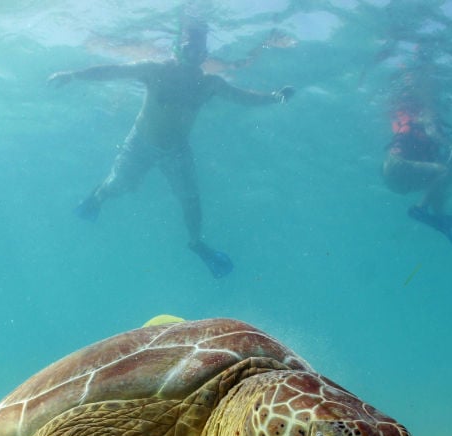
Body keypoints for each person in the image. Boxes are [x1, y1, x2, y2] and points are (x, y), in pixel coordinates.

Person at [48, 19, 294, 277]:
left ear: (205, 56)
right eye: (189, 50)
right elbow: (113, 70)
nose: (194, 57)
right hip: (140, 144)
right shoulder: (154, 70)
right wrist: (74, 75)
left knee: (191, 201)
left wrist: (275, 97)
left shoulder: (210, 84)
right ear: (176, 49)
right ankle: (96, 198)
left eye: (200, 53)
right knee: (121, 186)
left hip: (177, 151)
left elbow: (244, 97)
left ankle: (196, 243)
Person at [382, 92, 452, 244]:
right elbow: (431, 130)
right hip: (397, 164)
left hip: (393, 178)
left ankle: (440, 217)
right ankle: (420, 208)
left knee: (445, 176)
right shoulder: (427, 111)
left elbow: (440, 180)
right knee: (445, 172)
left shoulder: (418, 125)